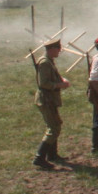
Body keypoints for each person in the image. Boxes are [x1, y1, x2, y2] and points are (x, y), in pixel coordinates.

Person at [32, 37, 70, 170]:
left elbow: (52, 77)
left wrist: (61, 80)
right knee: (53, 128)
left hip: (50, 99)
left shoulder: (49, 61)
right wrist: (60, 85)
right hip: (46, 99)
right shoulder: (44, 63)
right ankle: (39, 158)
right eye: (58, 48)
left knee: (56, 124)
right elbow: (44, 83)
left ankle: (52, 155)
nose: (60, 50)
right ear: (52, 49)